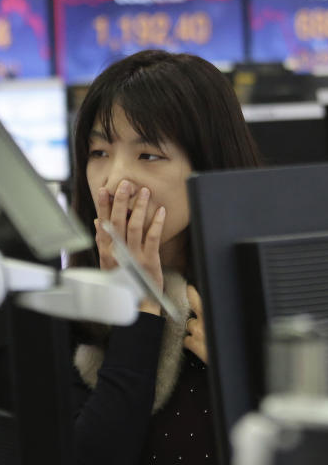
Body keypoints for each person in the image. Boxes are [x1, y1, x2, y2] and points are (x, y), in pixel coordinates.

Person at [70, 50, 262, 465]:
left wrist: (243, 379)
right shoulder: (66, 306)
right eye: (99, 152)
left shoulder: (263, 299)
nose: (115, 179)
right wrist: (137, 308)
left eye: (148, 156)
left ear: (208, 168)